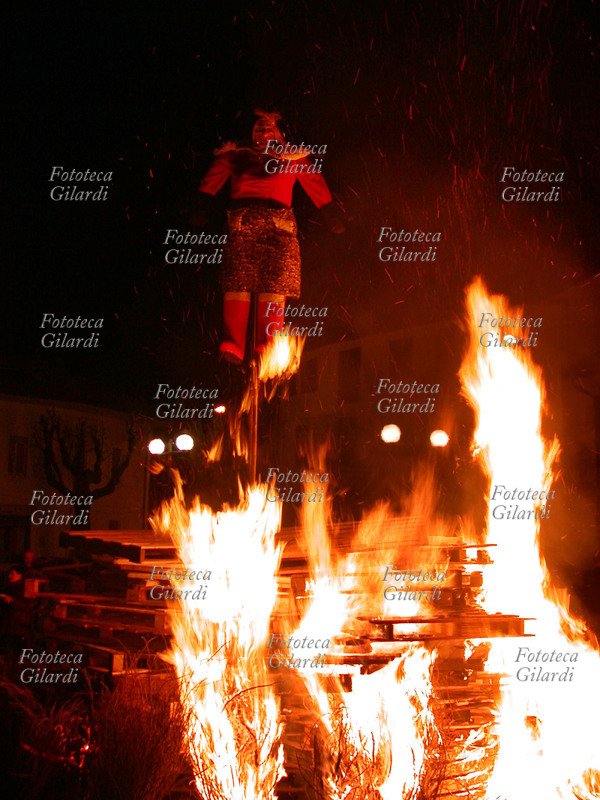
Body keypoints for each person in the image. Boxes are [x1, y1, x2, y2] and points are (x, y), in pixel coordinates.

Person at [197, 110, 343, 363]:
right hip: (242, 225)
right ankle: (234, 341)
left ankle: (268, 340)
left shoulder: (291, 157)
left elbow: (313, 179)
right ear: (249, 131)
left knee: (275, 282)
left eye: (269, 129)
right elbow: (214, 176)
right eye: (258, 128)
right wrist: (201, 203)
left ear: (279, 132)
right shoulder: (236, 155)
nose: (263, 133)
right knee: (237, 280)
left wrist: (330, 211)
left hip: (279, 228)